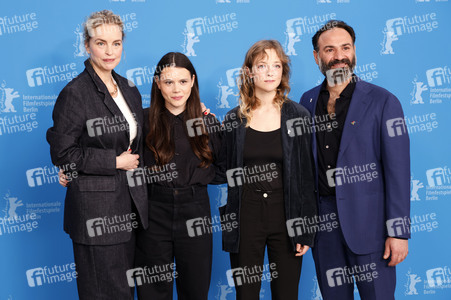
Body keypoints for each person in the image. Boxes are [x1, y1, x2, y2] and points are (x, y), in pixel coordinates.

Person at [299, 20, 410, 300]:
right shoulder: (307, 101)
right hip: (324, 229)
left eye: (345, 47)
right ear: (317, 56)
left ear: (354, 51)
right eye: (329, 49)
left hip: (371, 227)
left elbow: (398, 171)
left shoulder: (384, 101)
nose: (339, 56)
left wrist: (398, 232)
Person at [47, 10, 147, 299]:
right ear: (86, 45)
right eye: (101, 43)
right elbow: (63, 152)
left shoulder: (128, 88)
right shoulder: (75, 93)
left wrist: (194, 108)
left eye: (116, 43)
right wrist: (114, 162)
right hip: (97, 215)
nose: (109, 51)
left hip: (129, 209)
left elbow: (139, 131)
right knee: (104, 292)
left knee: (123, 291)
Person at [219, 40, 317, 299]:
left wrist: (306, 228)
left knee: (286, 293)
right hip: (245, 215)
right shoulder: (234, 119)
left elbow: (307, 177)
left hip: (285, 217)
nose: (271, 72)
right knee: (246, 294)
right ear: (249, 72)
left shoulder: (299, 116)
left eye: (276, 65)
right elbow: (221, 168)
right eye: (262, 65)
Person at [133, 52, 223, 300]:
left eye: (183, 81)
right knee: (152, 291)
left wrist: (197, 175)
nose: (176, 89)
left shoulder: (208, 124)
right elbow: (121, 160)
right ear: (157, 83)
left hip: (195, 210)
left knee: (195, 288)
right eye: (169, 82)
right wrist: (72, 171)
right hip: (152, 211)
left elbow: (226, 168)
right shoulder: (140, 121)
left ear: (192, 81)